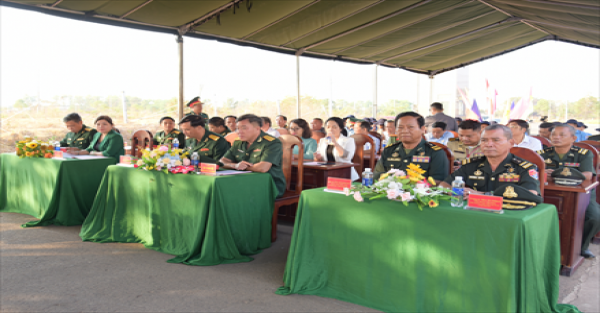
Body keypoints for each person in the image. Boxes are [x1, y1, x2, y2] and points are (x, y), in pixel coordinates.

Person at [538, 124, 599, 259]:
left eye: (562, 135)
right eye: (554, 135)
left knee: (595, 217)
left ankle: (582, 247)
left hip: (581, 194)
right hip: (551, 193)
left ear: (573, 138)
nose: (556, 138)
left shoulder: (583, 153)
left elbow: (588, 175)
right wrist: (542, 173)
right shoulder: (542, 154)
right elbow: (533, 173)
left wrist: (555, 174)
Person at [440, 124, 541, 197]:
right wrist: (458, 192)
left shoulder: (525, 167)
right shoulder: (471, 164)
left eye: (496, 140)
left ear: (511, 143)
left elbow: (531, 194)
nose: (488, 144)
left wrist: (483, 195)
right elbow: (444, 185)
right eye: (484, 140)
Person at [220, 114, 286, 198]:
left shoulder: (271, 143)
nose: (239, 132)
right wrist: (235, 165)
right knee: (221, 191)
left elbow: (262, 168)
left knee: (232, 195)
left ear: (257, 128)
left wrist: (242, 167)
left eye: (244, 128)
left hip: (267, 186)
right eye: (238, 128)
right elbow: (222, 162)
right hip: (242, 182)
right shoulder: (238, 142)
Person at [374, 112, 448, 182]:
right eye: (400, 127)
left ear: (422, 129)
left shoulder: (435, 152)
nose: (405, 131)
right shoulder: (389, 150)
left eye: (410, 127)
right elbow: (377, 176)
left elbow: (438, 182)